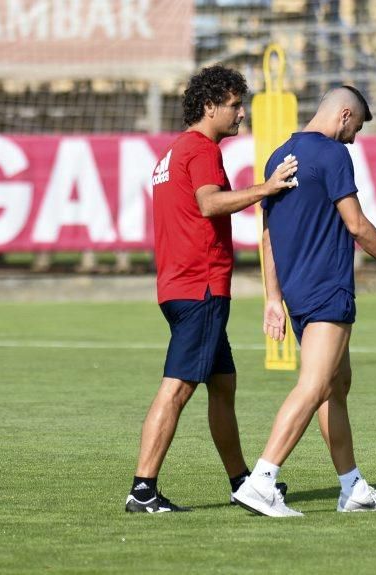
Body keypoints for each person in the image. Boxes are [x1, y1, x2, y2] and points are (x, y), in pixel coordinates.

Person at [124, 64, 299, 513]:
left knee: (223, 386)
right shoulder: (201, 149)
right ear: (209, 107)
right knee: (178, 387)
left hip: (180, 285)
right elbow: (209, 204)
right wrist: (268, 187)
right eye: (235, 105)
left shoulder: (173, 152)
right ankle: (142, 489)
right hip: (198, 286)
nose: (242, 114)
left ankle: (242, 482)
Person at [232, 86, 376, 517]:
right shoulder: (334, 155)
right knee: (315, 386)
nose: (354, 138)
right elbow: (356, 224)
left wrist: (273, 297)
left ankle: (353, 488)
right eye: (357, 128)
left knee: (336, 387)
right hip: (327, 288)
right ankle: (262, 480)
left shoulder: (280, 155)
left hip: (296, 292)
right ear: (345, 115)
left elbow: (270, 235)